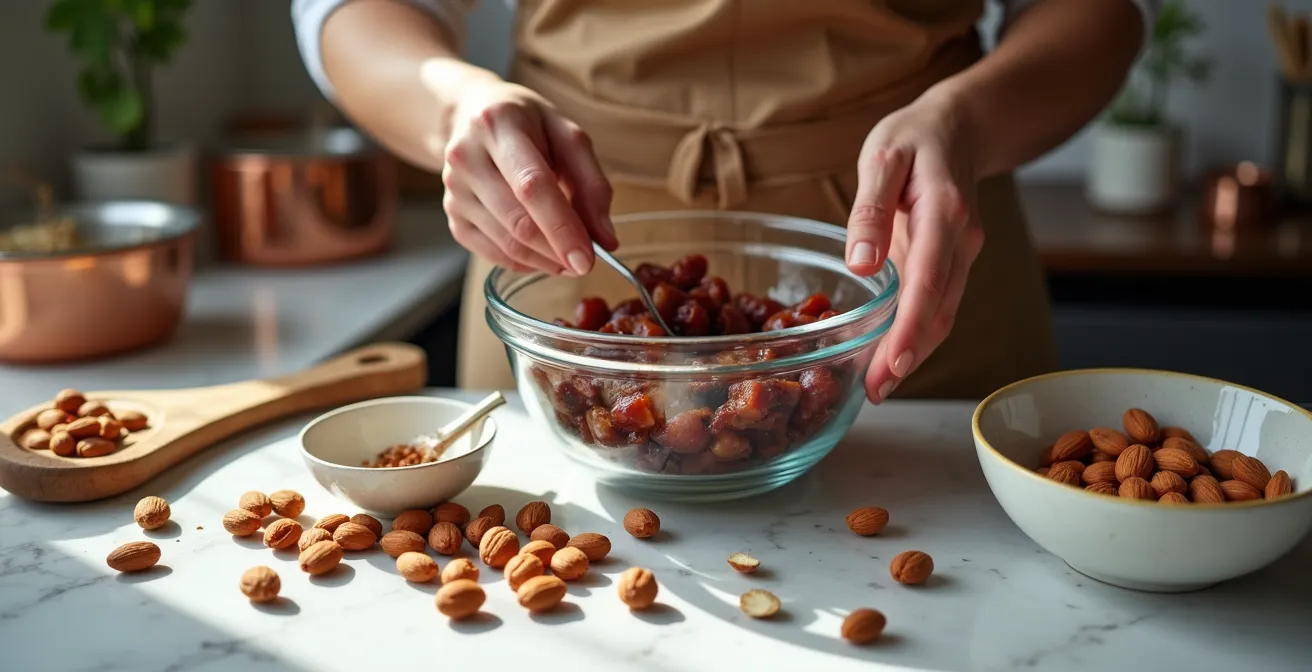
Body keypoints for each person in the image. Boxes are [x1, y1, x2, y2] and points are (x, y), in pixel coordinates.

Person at [293, 0, 1156, 401]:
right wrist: (452, 103)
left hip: (913, 235)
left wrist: (968, 121)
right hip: (563, 224)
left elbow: (1102, 12)